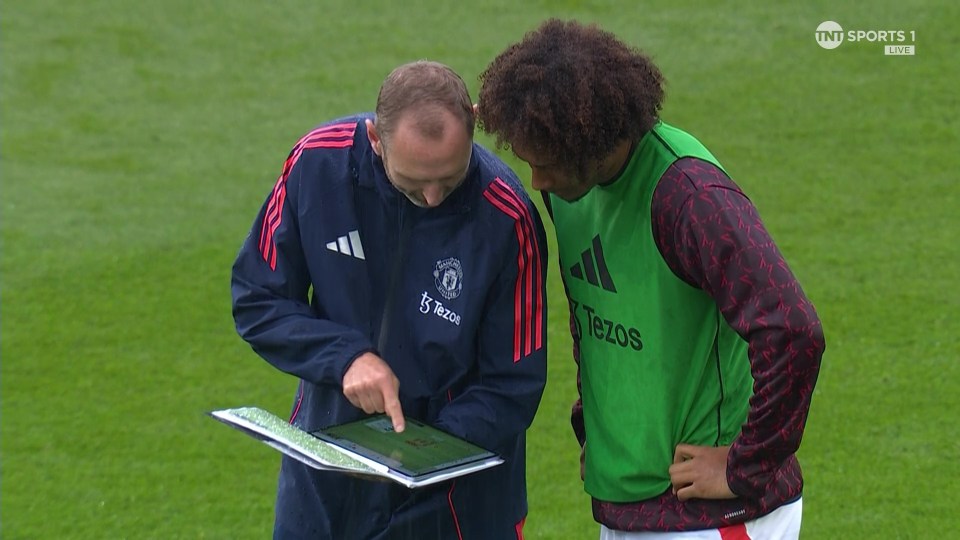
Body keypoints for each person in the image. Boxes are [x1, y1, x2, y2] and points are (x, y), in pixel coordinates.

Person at [477, 19, 825, 539]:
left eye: (546, 165)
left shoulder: (690, 198)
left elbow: (792, 329)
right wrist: (594, 428)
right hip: (628, 504)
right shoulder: (570, 185)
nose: (537, 182)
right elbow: (600, 315)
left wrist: (745, 464)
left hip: (712, 518)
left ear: (591, 142)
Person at [231, 60, 548, 540]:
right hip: (326, 474)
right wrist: (345, 358)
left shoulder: (507, 217)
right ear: (375, 139)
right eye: (415, 181)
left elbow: (512, 382)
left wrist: (414, 450)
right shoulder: (317, 165)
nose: (434, 197)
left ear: (475, 122)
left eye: (450, 177)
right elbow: (258, 297)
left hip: (455, 497)